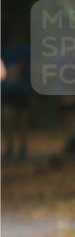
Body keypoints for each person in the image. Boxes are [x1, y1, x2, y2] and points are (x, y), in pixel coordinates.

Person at [1, 32, 31, 161]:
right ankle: (9, 148)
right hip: (8, 91)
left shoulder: (25, 50)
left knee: (22, 120)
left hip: (21, 90)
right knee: (8, 119)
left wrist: (21, 69)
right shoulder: (5, 52)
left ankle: (23, 148)